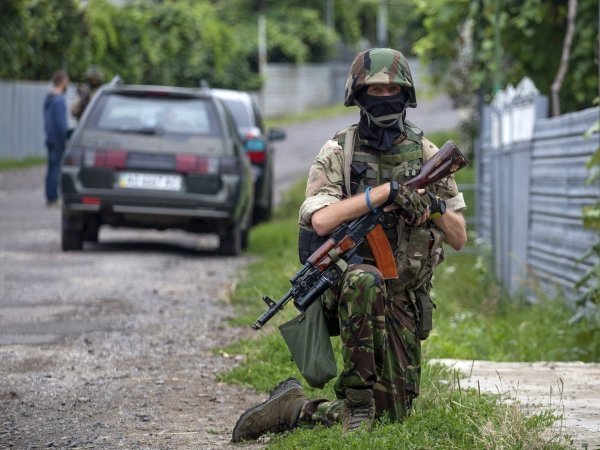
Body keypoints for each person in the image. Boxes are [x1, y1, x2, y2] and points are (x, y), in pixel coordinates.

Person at [232, 48, 467, 441]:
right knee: (363, 278)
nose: (385, 96)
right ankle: (356, 401)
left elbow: (459, 236)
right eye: (375, 90)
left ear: (406, 94)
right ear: (358, 95)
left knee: (392, 415)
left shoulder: (426, 153)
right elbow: (321, 220)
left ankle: (293, 407)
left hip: (403, 298)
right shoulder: (339, 151)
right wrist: (384, 194)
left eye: (392, 89)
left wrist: (431, 205)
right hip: (349, 292)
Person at [43, 70, 69, 207]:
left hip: (49, 136)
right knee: (55, 168)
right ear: (63, 81)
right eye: (67, 81)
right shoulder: (59, 100)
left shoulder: (49, 97)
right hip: (57, 138)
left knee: (51, 167)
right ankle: (53, 198)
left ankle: (49, 196)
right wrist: (66, 137)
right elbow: (61, 122)